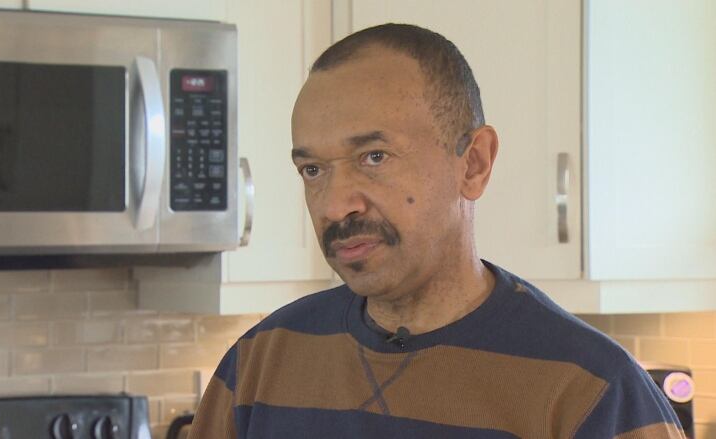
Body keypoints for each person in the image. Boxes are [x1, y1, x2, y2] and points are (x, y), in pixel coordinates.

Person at [189, 24, 684, 438]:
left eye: (374, 157)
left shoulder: (592, 391)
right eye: (313, 170)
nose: (336, 204)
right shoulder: (258, 365)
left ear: (473, 163)